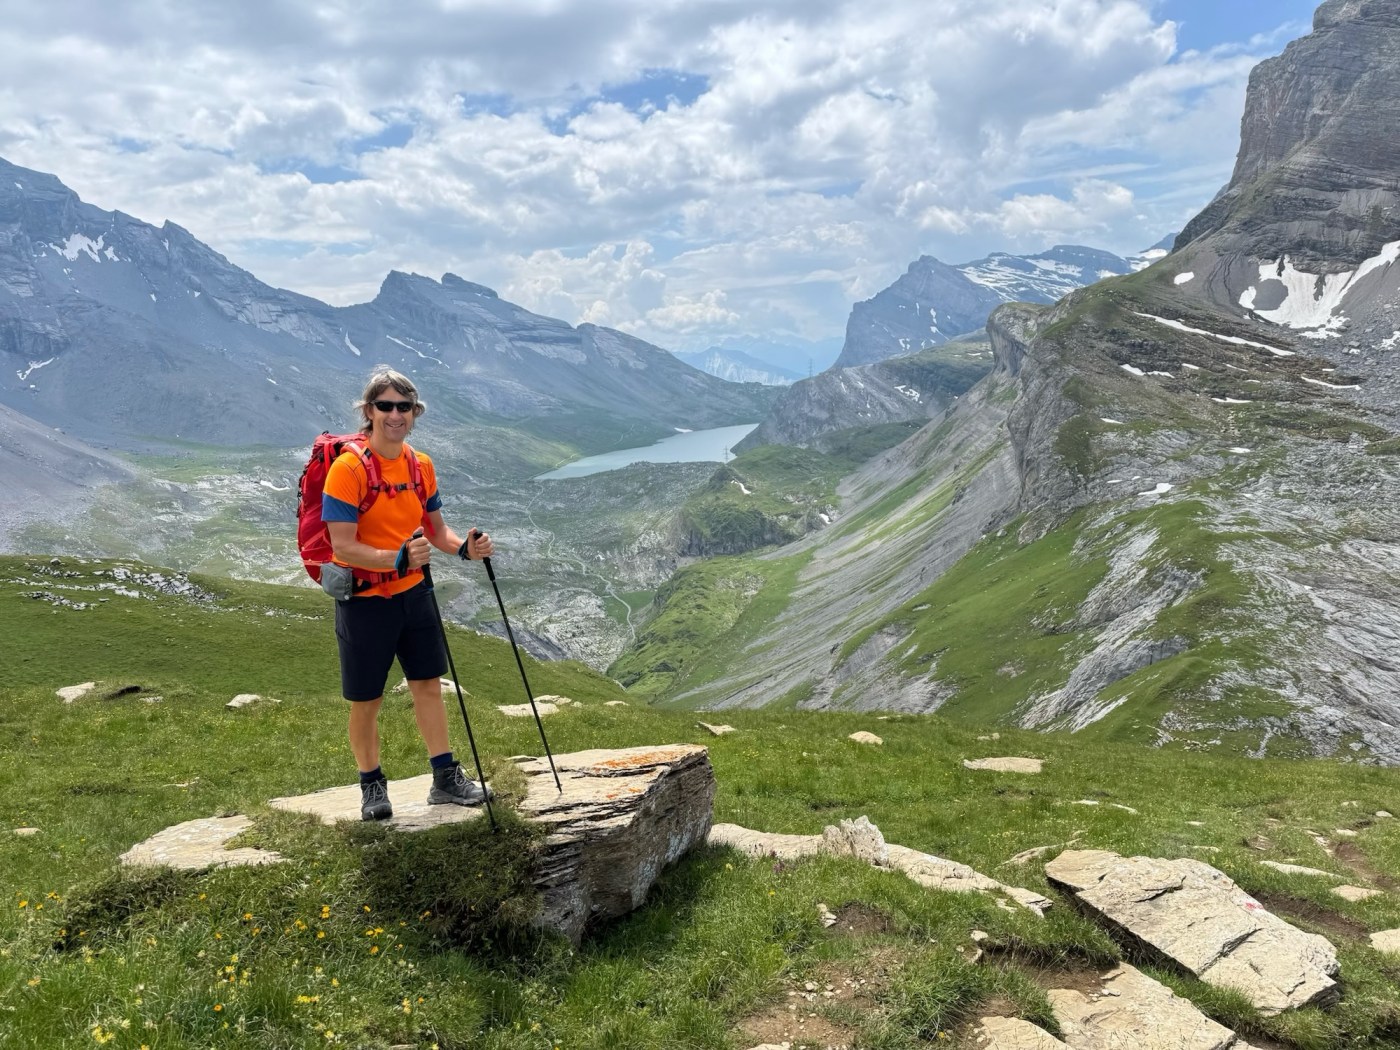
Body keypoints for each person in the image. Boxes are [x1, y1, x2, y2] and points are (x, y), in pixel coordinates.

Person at [322, 365, 495, 821]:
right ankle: (371, 786)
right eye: (385, 406)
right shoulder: (347, 469)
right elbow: (343, 545)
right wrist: (396, 558)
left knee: (427, 685)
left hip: (415, 595)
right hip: (364, 601)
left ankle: (445, 778)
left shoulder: (421, 466)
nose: (395, 415)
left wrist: (466, 549)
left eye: (404, 406)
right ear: (369, 411)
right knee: (366, 700)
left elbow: (436, 531)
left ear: (415, 412)